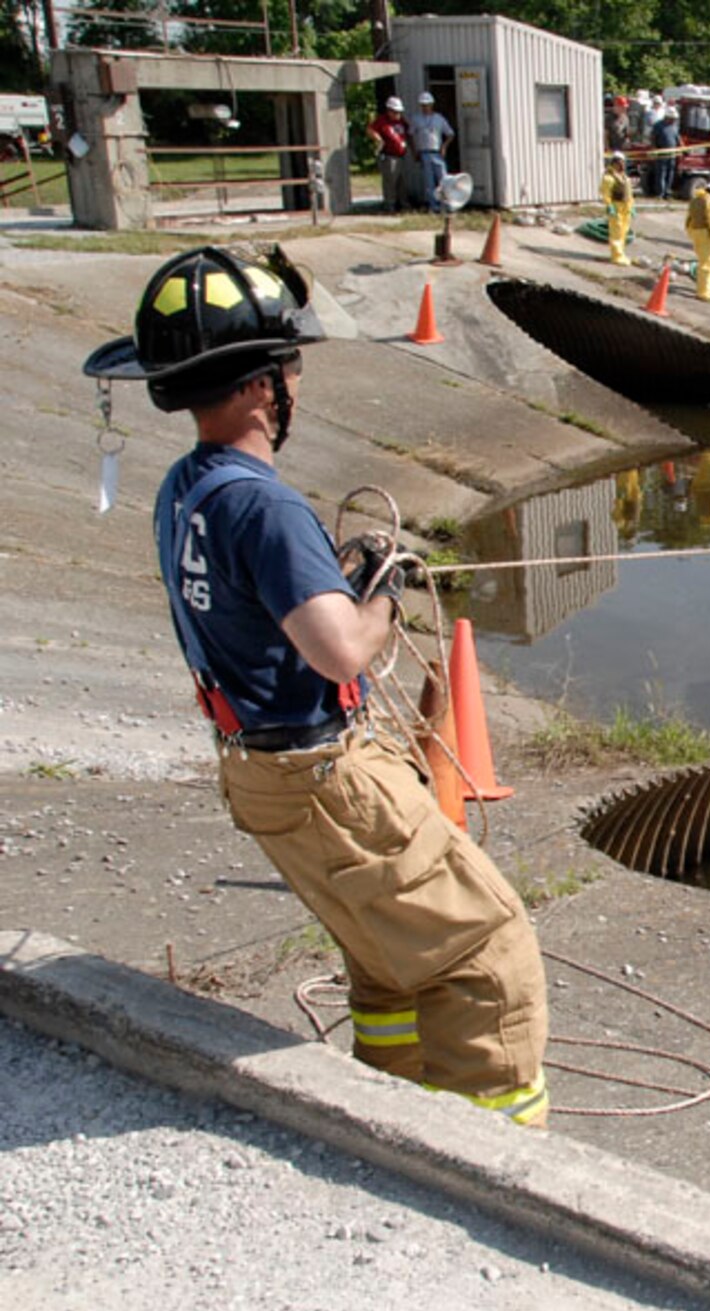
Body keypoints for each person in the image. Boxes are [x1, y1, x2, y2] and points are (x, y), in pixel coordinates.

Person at [79, 247, 550, 1126]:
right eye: (289, 366)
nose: (297, 380)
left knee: (388, 955)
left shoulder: (189, 489)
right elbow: (341, 653)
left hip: (260, 773)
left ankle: (392, 1112)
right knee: (488, 952)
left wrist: (335, 579)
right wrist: (385, 592)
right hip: (324, 776)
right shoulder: (266, 505)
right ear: (262, 389)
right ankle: (498, 1157)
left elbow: (257, 609)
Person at [408, 91, 454, 211]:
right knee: (429, 182)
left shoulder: (439, 118)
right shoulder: (416, 119)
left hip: (437, 152)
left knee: (444, 180)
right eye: (423, 104)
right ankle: (433, 205)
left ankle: (447, 204)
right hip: (424, 152)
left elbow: (450, 134)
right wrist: (414, 152)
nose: (425, 107)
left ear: (432, 104)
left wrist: (444, 146)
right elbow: (410, 135)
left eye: (427, 104)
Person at [364, 95, 410, 211]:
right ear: (389, 110)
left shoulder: (401, 121)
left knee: (402, 182)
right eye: (395, 112)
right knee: (390, 182)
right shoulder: (382, 121)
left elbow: (408, 133)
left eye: (399, 112)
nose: (397, 115)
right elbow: (370, 130)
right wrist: (378, 139)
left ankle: (403, 204)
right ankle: (389, 205)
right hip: (389, 157)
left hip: (401, 156)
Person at [684, 178, 710, 302]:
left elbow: (689, 219)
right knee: (707, 263)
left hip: (696, 232)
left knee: (704, 261)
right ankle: (703, 292)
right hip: (706, 234)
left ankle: (708, 287)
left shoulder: (695, 199)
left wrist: (690, 233)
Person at [600, 151, 634, 266]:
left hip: (626, 208)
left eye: (623, 163)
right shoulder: (609, 178)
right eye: (619, 163)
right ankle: (616, 256)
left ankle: (621, 253)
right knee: (616, 232)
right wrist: (609, 206)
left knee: (623, 232)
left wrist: (632, 207)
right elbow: (605, 193)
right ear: (614, 163)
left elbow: (629, 193)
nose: (622, 165)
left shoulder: (624, 177)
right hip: (616, 207)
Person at [648, 103, 680, 199]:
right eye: (672, 119)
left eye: (674, 119)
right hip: (661, 154)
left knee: (670, 174)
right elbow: (653, 138)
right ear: (667, 117)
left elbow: (677, 138)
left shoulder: (675, 127)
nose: (673, 120)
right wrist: (654, 149)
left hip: (672, 154)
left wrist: (682, 149)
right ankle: (660, 193)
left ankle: (667, 191)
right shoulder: (658, 126)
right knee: (661, 173)